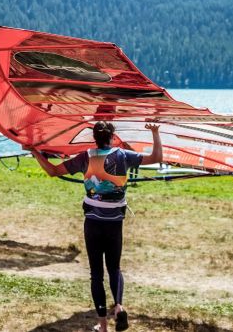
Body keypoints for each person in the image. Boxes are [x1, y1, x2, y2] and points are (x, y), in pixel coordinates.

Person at [31, 122, 163, 332]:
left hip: (93, 222)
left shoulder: (86, 157)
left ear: (94, 138)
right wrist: (155, 133)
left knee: (96, 274)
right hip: (114, 223)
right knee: (114, 268)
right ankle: (119, 308)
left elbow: (53, 171)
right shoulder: (123, 155)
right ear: (112, 137)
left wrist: (35, 152)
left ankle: (102, 325)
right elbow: (156, 158)